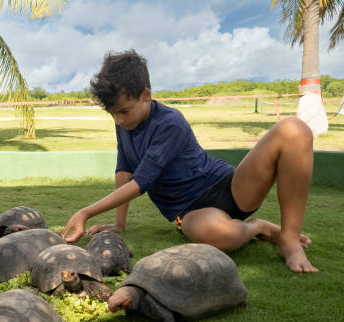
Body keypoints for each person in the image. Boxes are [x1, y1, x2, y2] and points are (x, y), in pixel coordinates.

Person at [62, 50, 317, 274]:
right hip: (191, 213)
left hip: (230, 188)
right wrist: (119, 223)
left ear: (145, 95)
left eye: (124, 111)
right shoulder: (124, 126)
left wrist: (86, 212)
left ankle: (290, 240)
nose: (118, 120)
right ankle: (258, 228)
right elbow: (125, 171)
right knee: (218, 237)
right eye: (112, 113)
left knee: (294, 130)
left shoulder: (169, 123)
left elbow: (141, 182)